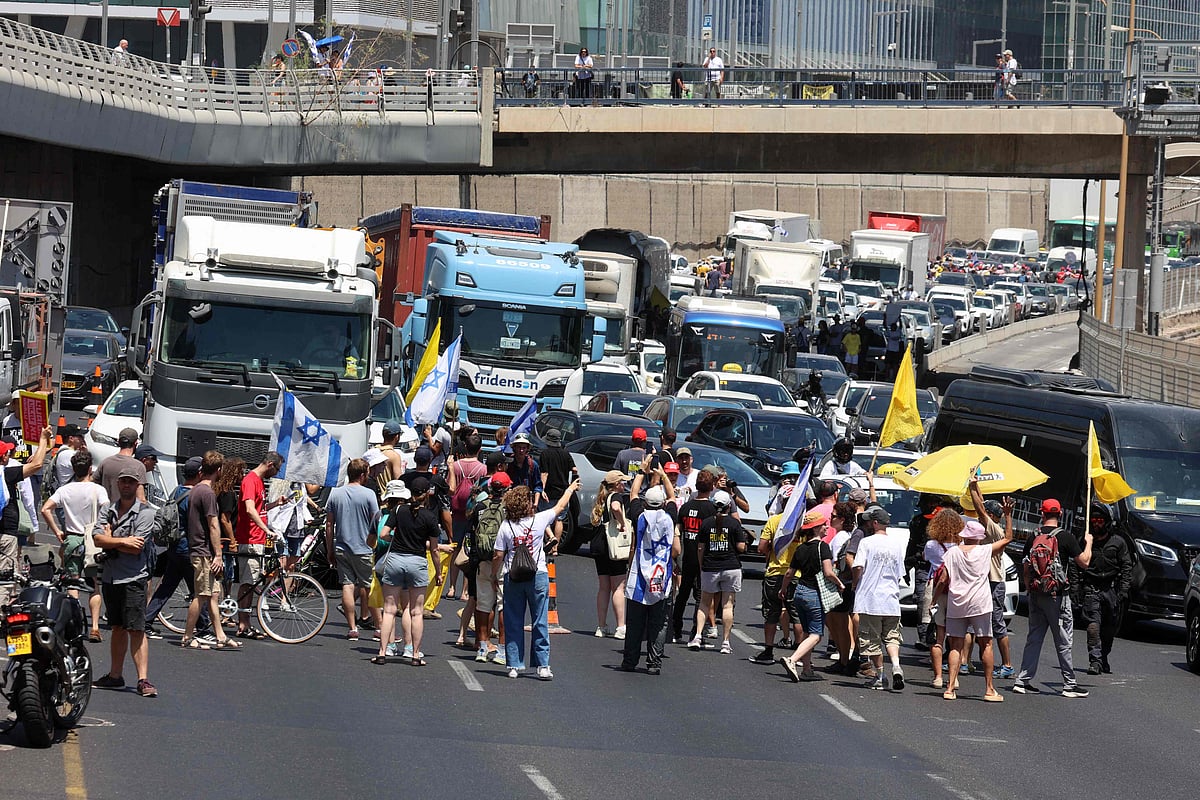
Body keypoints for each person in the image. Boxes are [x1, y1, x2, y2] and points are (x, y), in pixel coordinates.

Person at [493, 480, 580, 680]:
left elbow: (498, 554)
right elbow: (559, 507)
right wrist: (569, 489)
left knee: (513, 620)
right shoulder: (539, 520)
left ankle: (514, 664)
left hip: (512, 575)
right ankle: (542, 665)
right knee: (539, 620)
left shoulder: (506, 526)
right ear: (527, 503)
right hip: (538, 574)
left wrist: (494, 576)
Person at [1013, 498, 1092, 698]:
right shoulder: (1065, 537)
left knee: (1034, 637)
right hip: (1057, 596)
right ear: (1061, 514)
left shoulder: (1034, 536)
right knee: (1063, 640)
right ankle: (1069, 684)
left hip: (1036, 593)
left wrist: (1030, 587)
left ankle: (1022, 681)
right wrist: (1088, 544)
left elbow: (1025, 564)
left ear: (1042, 514)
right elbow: (1084, 562)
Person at [92, 464, 158, 697]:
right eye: (123, 481)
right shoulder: (108, 510)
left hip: (133, 578)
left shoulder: (146, 513)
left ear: (137, 484)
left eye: (131, 481)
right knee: (118, 627)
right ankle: (115, 675)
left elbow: (136, 547)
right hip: (111, 577)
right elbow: (97, 539)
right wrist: (121, 541)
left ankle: (143, 680)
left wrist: (112, 539)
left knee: (136, 629)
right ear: (118, 484)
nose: (127, 485)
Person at [941, 508, 1012, 702]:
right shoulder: (984, 550)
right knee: (986, 644)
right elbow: (1007, 538)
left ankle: (949, 688)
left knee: (955, 645)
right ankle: (989, 689)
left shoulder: (952, 552)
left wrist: (933, 599)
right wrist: (1007, 515)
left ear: (964, 536)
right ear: (980, 537)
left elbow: (943, 578)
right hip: (980, 603)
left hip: (957, 602)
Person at [41, 448, 109, 642]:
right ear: (90, 468)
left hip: (72, 538)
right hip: (93, 541)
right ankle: (95, 627)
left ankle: (76, 625)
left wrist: (57, 531)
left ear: (73, 469)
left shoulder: (65, 490)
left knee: (73, 583)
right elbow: (106, 510)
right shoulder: (98, 490)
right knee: (94, 585)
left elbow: (46, 508)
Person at [374, 478, 440, 665]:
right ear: (427, 493)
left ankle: (382, 652)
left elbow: (383, 534)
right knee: (416, 611)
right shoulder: (429, 517)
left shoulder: (398, 510)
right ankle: (415, 655)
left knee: (389, 610)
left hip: (395, 560)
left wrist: (397, 536)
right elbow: (434, 549)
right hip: (417, 562)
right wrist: (439, 572)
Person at [180, 451, 239, 651]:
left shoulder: (196, 490)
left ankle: (220, 635)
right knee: (202, 595)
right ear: (219, 470)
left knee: (213, 594)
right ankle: (188, 636)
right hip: (203, 551)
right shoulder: (207, 493)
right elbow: (214, 525)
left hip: (199, 548)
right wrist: (219, 554)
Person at [779, 508, 845, 682]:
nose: (826, 527)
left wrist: (783, 589)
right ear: (815, 528)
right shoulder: (822, 547)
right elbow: (828, 572)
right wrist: (839, 584)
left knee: (808, 633)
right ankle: (792, 660)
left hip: (800, 591)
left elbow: (789, 573)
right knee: (816, 635)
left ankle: (807, 670)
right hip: (814, 594)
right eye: (824, 525)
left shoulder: (800, 548)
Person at [619, 486, 678, 674]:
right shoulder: (669, 517)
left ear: (646, 503)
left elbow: (633, 494)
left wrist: (644, 471)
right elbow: (672, 497)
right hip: (661, 578)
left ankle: (630, 661)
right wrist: (662, 474)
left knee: (635, 623)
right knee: (659, 623)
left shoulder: (640, 517)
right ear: (662, 504)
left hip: (639, 579)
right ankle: (654, 662)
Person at [326, 458, 380, 642]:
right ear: (363, 475)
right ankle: (379, 628)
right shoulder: (369, 494)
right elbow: (376, 522)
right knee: (369, 586)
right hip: (364, 547)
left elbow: (329, 524)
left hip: (342, 546)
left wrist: (329, 548)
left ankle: (352, 628)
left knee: (347, 586)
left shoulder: (336, 493)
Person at [853, 505, 906, 691]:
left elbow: (858, 567)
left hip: (870, 600)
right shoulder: (896, 544)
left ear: (875, 523)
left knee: (872, 640)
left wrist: (855, 583)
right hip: (891, 599)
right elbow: (900, 574)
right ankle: (897, 665)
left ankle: (881, 674)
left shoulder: (867, 543)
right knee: (892, 637)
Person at [689, 490, 747, 654]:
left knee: (704, 604)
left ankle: (698, 636)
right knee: (727, 606)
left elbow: (701, 548)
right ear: (729, 506)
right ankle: (725, 642)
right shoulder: (735, 524)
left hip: (710, 567)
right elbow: (741, 547)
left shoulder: (706, 523)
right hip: (731, 567)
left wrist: (701, 566)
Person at [233, 452, 282, 640]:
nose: (276, 473)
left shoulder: (259, 482)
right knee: (248, 582)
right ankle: (243, 624)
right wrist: (266, 530)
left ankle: (246, 622)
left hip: (257, 538)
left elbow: (259, 509)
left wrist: (275, 504)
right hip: (250, 538)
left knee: (251, 582)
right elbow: (249, 509)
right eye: (276, 469)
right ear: (270, 464)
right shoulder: (250, 480)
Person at [751, 496, 804, 665]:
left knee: (772, 613)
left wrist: (772, 551)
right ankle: (799, 653)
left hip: (774, 572)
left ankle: (768, 651)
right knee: (796, 615)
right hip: (796, 574)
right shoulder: (802, 523)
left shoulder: (774, 521)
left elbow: (761, 547)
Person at [1080, 503, 1132, 675]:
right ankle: (1094, 661)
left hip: (1112, 590)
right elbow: (1076, 564)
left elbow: (1126, 567)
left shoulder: (1119, 543)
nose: (1097, 523)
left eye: (1100, 520)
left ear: (1108, 522)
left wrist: (1123, 591)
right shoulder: (1085, 541)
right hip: (1092, 589)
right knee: (1093, 626)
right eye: (1094, 520)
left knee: (1109, 630)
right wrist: (1074, 589)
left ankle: (1103, 657)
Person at [470, 472, 511, 665]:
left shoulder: (480, 507)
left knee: (483, 606)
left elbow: (472, 534)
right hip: (503, 562)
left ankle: (483, 646)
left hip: (483, 563)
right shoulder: (509, 510)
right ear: (507, 489)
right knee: (503, 606)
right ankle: (502, 650)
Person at [0, 429, 52, 578]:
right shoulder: (7, 474)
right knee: (6, 580)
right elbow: (36, 465)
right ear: (4, 458)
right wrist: (43, 439)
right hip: (5, 534)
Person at [671, 469, 715, 643]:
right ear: (711, 487)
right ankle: (697, 632)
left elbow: (679, 530)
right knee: (700, 596)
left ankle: (675, 629)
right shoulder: (711, 509)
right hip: (704, 557)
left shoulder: (686, 507)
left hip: (687, 554)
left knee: (682, 593)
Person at [445, 433, 487, 601]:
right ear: (480, 449)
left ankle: (451, 587)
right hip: (473, 513)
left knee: (454, 548)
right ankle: (464, 591)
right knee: (468, 552)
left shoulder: (455, 466)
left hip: (457, 512)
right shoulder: (482, 469)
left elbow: (450, 486)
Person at [590, 470, 630, 639]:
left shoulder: (601, 497)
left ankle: (601, 626)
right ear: (616, 485)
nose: (625, 485)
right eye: (622, 482)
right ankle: (621, 627)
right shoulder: (615, 497)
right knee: (619, 587)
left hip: (599, 545)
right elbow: (615, 508)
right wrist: (622, 523)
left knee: (604, 587)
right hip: (613, 546)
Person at [925, 508, 961, 689]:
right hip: (958, 593)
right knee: (956, 637)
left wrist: (932, 601)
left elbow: (930, 563)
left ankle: (938, 677)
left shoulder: (932, 545)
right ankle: (954, 678)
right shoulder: (961, 547)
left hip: (939, 592)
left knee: (938, 636)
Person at [94, 428, 147, 503]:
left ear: (119, 442)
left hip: (106, 511)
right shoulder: (138, 466)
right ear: (136, 443)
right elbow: (141, 498)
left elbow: (92, 484)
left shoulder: (105, 462)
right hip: (128, 513)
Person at [505, 433, 543, 505]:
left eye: (524, 448)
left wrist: (535, 503)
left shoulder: (533, 465)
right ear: (514, 448)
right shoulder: (508, 464)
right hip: (511, 503)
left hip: (527, 503)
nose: (521, 450)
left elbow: (537, 486)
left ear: (527, 449)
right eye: (519, 447)